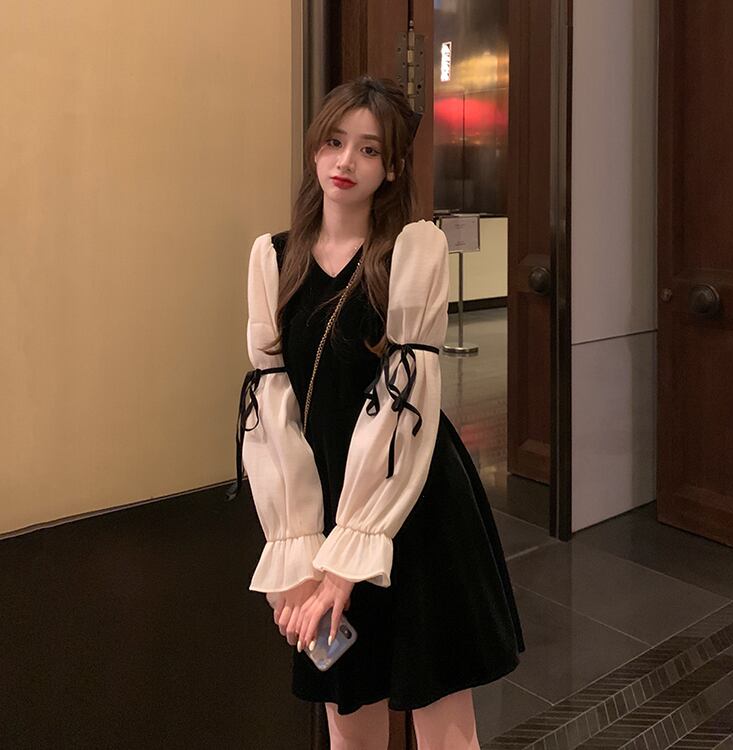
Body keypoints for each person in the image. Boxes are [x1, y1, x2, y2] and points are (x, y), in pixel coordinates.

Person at [228, 75, 525, 749]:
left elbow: (404, 402)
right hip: (323, 503)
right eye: (335, 142)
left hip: (411, 503)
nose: (346, 162)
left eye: (368, 150)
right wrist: (295, 550)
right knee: (348, 711)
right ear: (315, 148)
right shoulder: (273, 259)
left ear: (391, 168)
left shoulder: (410, 253)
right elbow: (272, 410)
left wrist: (347, 561)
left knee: (442, 725)